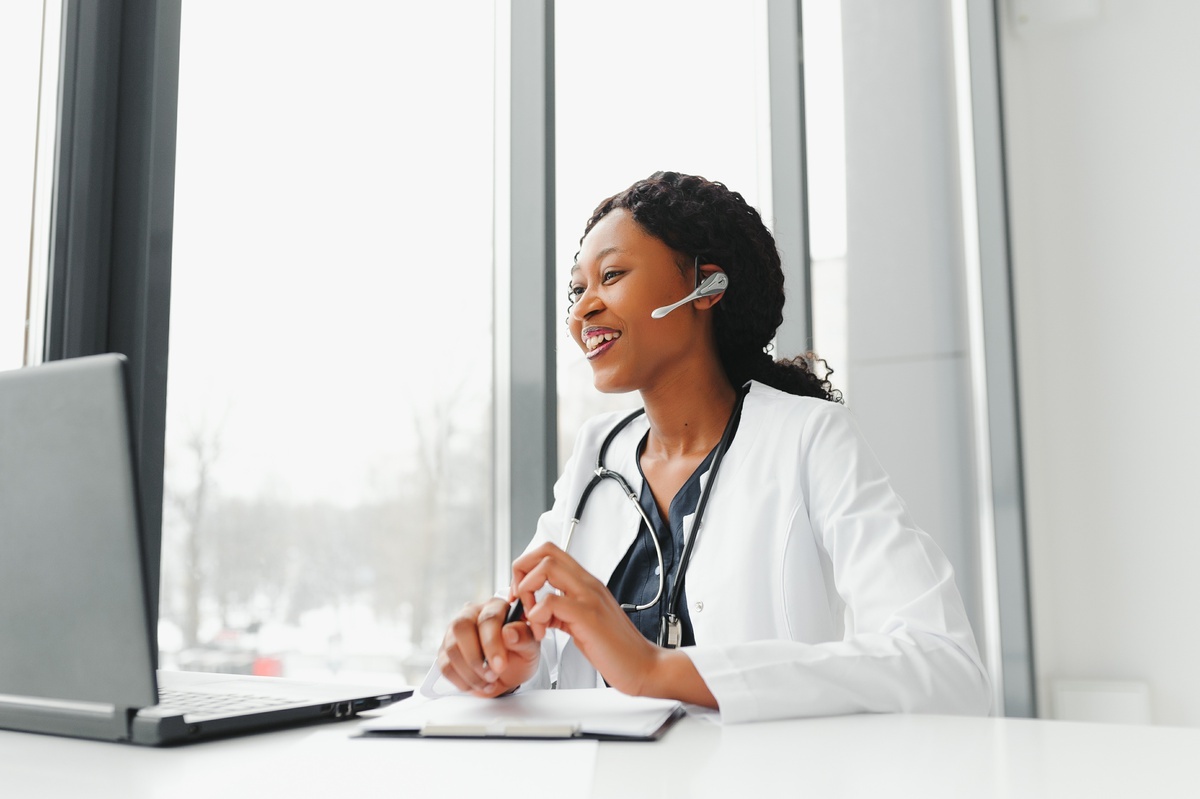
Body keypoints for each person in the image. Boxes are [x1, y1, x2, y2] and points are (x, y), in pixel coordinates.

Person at [434, 171, 991, 722]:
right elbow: (539, 639)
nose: (582, 310)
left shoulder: (809, 437)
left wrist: (656, 670)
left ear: (707, 288)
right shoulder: (596, 451)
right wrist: (503, 661)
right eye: (578, 289)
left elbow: (945, 666)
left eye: (612, 276)